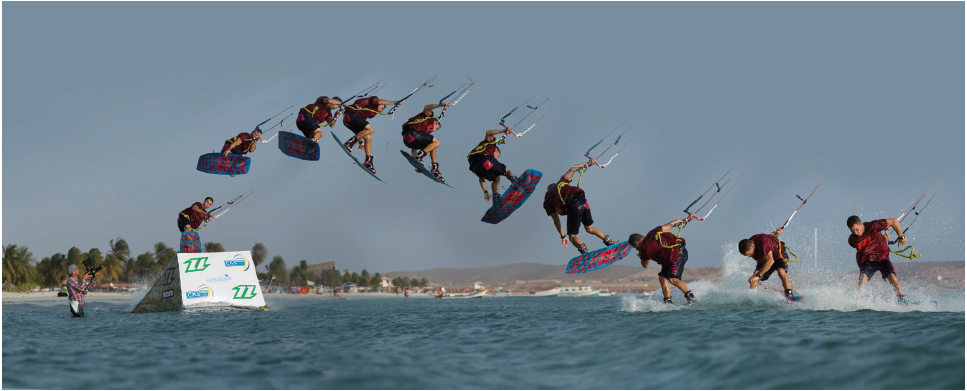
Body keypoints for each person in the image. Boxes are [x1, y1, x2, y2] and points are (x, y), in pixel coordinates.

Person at [543, 157, 618, 254]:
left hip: (573, 205)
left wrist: (563, 236)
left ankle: (586, 252)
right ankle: (610, 242)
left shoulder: (548, 200)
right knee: (590, 228)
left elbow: (556, 221)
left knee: (572, 236)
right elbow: (573, 168)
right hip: (582, 200)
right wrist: (589, 163)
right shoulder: (561, 182)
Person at [628, 214, 699, 305]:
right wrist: (687, 219)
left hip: (678, 255)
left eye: (634, 247)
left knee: (673, 279)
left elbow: (645, 265)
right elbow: (671, 224)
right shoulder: (652, 233)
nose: (635, 249)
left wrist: (641, 256)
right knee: (662, 278)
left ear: (636, 243)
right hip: (669, 258)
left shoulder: (645, 250)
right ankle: (668, 301)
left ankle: (691, 297)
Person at [847, 215, 907, 301]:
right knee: (863, 278)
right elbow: (866, 244)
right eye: (853, 231)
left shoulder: (873, 226)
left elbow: (894, 221)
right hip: (868, 261)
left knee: (892, 277)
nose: (856, 233)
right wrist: (884, 240)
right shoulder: (852, 240)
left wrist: (901, 237)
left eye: (857, 230)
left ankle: (901, 299)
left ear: (861, 224)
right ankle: (860, 300)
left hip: (882, 258)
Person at [342, 95, 397, 174]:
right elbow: (379, 102)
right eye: (382, 108)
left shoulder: (371, 112)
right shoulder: (373, 100)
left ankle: (368, 161)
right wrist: (394, 102)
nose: (381, 111)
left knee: (368, 137)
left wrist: (360, 142)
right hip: (351, 116)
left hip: (348, 121)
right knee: (370, 129)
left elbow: (360, 132)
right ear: (380, 105)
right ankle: (349, 143)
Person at [467, 124, 519, 205]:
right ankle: (515, 181)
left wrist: (485, 192)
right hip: (485, 160)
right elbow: (488, 132)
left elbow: (481, 178)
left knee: (496, 178)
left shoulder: (480, 149)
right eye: (497, 156)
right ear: (496, 150)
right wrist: (504, 131)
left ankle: (495, 197)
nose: (496, 159)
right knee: (505, 171)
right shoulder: (490, 145)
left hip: (477, 168)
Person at [402, 102, 451, 182]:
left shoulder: (424, 132)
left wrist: (416, 163)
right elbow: (427, 107)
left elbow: (414, 148)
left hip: (408, 140)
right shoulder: (429, 118)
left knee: (433, 145)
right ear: (435, 122)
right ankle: (420, 157)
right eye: (436, 128)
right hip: (412, 133)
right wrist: (441, 105)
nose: (435, 131)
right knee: (437, 142)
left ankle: (433, 167)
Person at [738, 227, 794, 297]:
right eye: (747, 255)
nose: (749, 256)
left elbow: (770, 260)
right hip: (764, 260)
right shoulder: (750, 243)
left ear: (752, 246)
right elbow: (770, 237)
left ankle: (789, 294)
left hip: (779, 256)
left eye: (749, 254)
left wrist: (759, 275)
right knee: (754, 278)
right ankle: (752, 298)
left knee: (781, 271)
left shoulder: (762, 241)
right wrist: (776, 234)